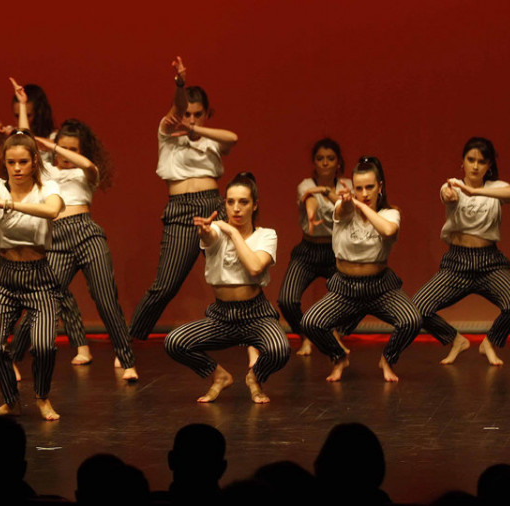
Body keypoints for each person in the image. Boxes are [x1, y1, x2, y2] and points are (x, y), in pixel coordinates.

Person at [11, 117, 139, 380]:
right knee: (42, 300)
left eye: (73, 150)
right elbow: (25, 139)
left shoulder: (85, 173)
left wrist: (56, 147)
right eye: (63, 149)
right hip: (57, 239)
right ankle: (12, 358)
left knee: (106, 299)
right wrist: (23, 108)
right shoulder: (45, 171)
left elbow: (90, 164)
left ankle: (128, 362)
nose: (67, 156)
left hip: (86, 233)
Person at [0, 80, 65, 420]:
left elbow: (53, 210)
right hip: (6, 276)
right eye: (12, 162)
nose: (17, 168)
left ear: (34, 161)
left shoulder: (47, 187)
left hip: (39, 276)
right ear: (5, 163)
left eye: (23, 161)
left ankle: (41, 397)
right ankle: (10, 399)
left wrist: (9, 204)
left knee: (43, 345)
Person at [130, 56, 238, 341]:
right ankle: (129, 342)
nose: (190, 119)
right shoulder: (167, 132)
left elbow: (233, 139)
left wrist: (196, 130)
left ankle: (251, 337)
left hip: (213, 206)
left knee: (232, 274)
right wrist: (180, 83)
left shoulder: (210, 138)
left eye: (197, 114)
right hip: (181, 211)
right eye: (187, 114)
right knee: (165, 285)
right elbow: (177, 107)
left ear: (206, 114)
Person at [164, 172, 289, 403]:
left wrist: (232, 231)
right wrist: (205, 231)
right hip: (222, 316)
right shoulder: (217, 233)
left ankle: (255, 377)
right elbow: (210, 237)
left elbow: (254, 267)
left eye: (243, 202)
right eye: (230, 202)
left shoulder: (266, 236)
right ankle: (219, 376)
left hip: (256, 314)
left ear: (255, 205)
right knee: (175, 341)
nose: (236, 208)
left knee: (279, 349)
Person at [302, 156, 422, 382]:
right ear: (352, 189)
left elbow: (387, 231)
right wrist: (350, 203)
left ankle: (387, 359)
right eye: (359, 188)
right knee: (311, 322)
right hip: (345, 287)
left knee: (412, 320)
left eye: (369, 187)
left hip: (379, 287)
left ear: (380, 187)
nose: (364, 193)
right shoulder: (344, 208)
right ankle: (339, 357)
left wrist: (360, 205)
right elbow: (342, 210)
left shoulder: (390, 213)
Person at [412, 137, 510, 366]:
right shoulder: (453, 184)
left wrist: (477, 193)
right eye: (470, 160)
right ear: (462, 162)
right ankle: (456, 340)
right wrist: (454, 194)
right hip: (457, 263)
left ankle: (489, 342)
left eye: (481, 161)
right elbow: (448, 195)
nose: (475, 166)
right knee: (416, 309)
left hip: (489, 262)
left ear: (489, 165)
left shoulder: (496, 188)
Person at [277, 138, 356, 356]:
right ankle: (306, 337)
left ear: (338, 162)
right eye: (320, 158)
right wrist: (311, 214)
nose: (325, 163)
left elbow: (347, 208)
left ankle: (336, 336)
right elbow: (309, 199)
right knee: (287, 299)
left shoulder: (347, 186)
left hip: (336, 251)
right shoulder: (306, 184)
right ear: (314, 162)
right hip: (308, 250)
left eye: (330, 159)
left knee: (354, 295)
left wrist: (326, 192)